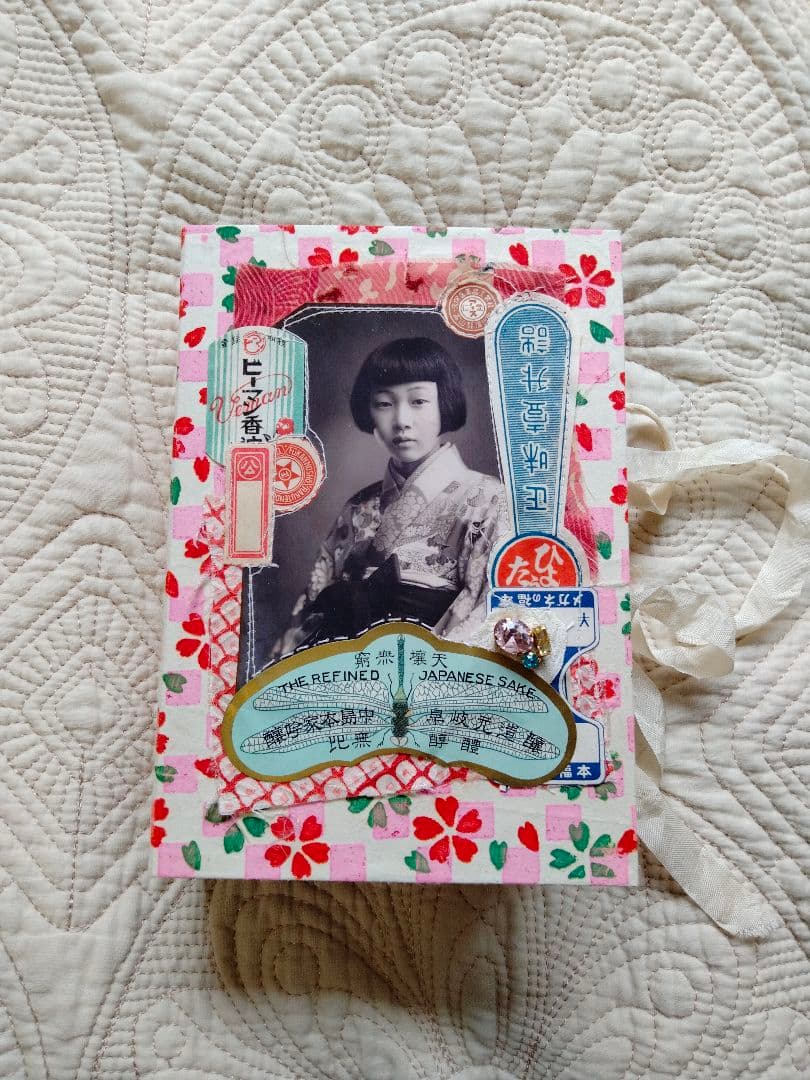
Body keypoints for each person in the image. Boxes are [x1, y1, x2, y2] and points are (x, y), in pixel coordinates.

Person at [273, 336, 509, 655]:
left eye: (418, 401)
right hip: (348, 668)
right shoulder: (358, 508)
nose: (401, 421)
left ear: (445, 403)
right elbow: (314, 607)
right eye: (384, 404)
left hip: (436, 667)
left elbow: (484, 607)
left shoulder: (489, 500)